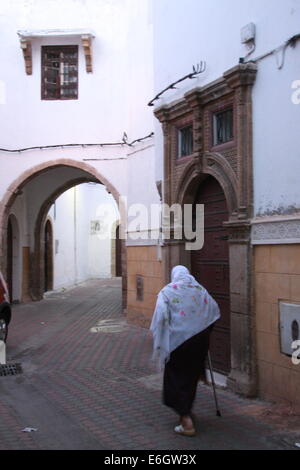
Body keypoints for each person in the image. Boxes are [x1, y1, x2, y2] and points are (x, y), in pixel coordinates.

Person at [150, 265, 220, 436]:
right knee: (190, 377)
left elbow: (160, 317)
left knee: (176, 378)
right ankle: (186, 410)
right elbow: (213, 310)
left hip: (178, 344)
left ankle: (186, 420)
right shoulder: (199, 289)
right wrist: (204, 330)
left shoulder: (167, 292)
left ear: (174, 275)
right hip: (199, 343)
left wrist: (161, 339)